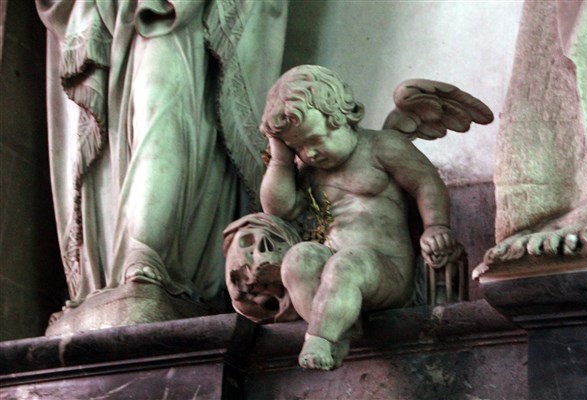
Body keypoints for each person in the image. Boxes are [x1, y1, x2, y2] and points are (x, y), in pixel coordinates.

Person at [35, 1, 288, 332]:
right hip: (114, 15)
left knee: (166, 103)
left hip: (180, 18)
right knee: (127, 128)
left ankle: (148, 254)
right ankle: (119, 267)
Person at [259, 65, 459, 370]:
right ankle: (341, 328)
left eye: (314, 139)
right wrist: (281, 157)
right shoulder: (311, 170)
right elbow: (278, 209)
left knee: (346, 264)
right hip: (337, 265)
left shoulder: (382, 146)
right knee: (298, 259)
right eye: (298, 147)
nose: (309, 153)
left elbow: (426, 183)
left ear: (338, 117)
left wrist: (436, 226)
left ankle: (321, 337)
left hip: (387, 270)